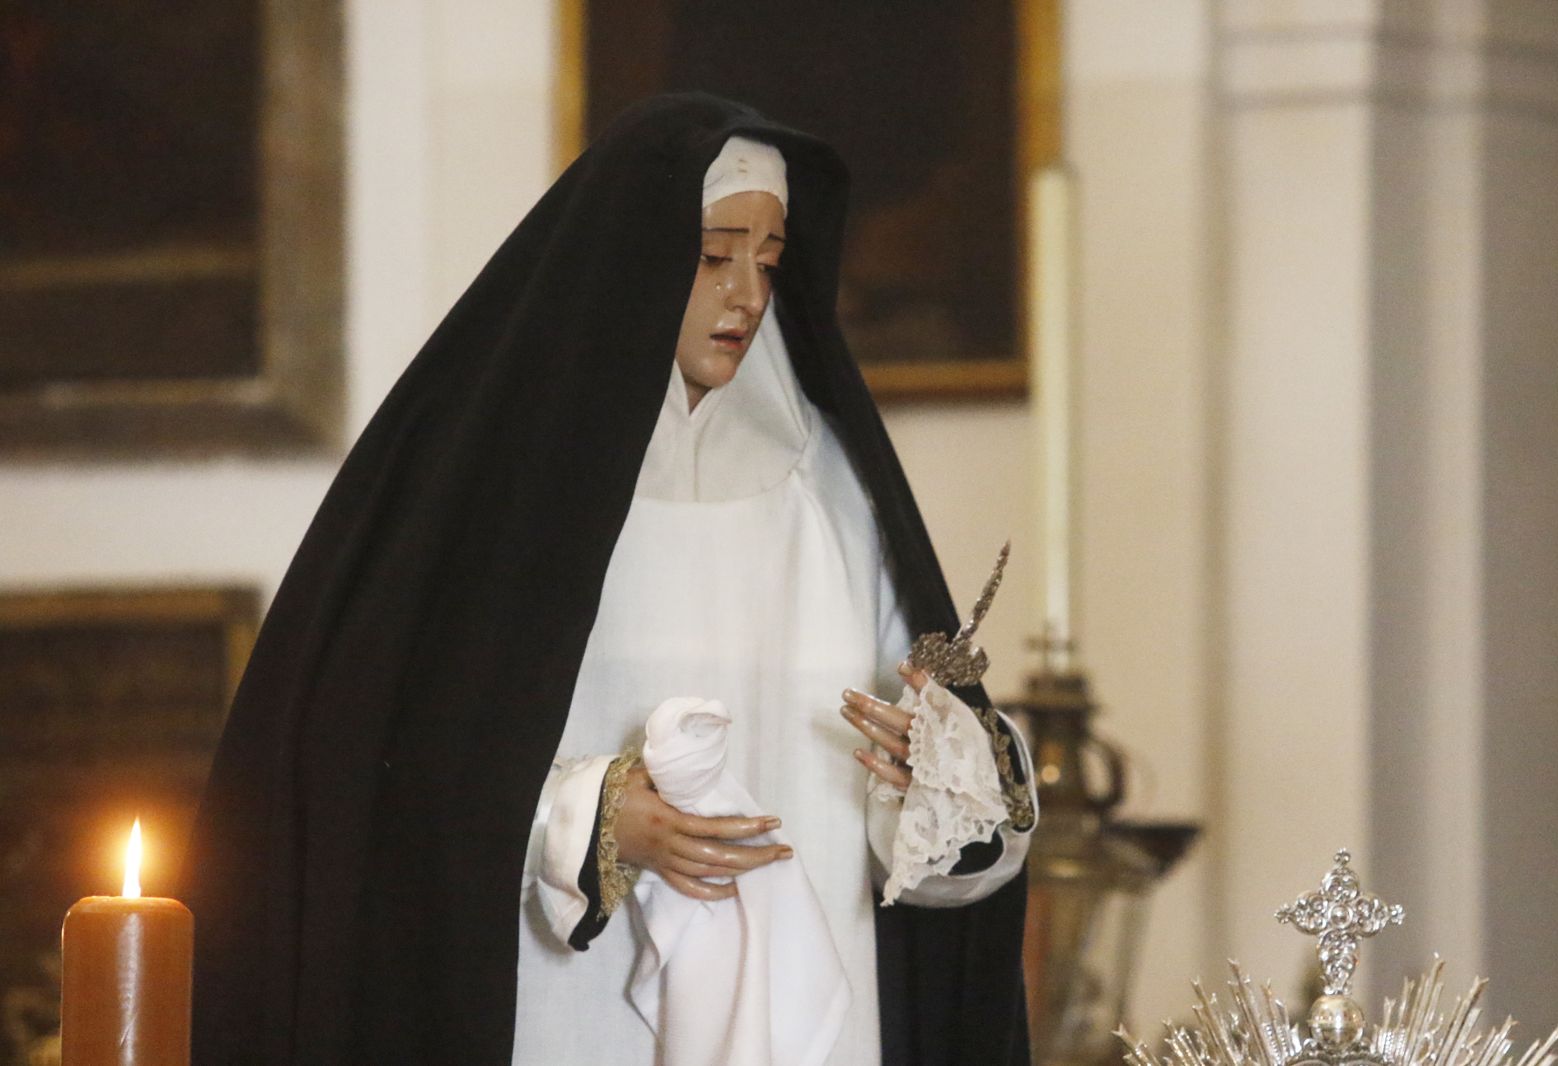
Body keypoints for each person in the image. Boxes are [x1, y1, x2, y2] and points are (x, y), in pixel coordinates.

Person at [181, 94, 1034, 1066]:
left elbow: (943, 828)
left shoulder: (832, 494)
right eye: (716, 255)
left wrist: (941, 776)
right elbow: (376, 769)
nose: (748, 295)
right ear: (637, 255)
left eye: (769, 258)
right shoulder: (506, 490)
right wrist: (587, 817)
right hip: (564, 1006)